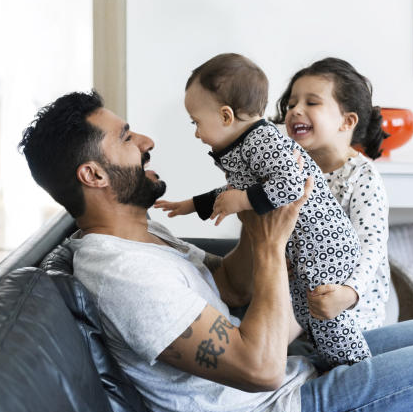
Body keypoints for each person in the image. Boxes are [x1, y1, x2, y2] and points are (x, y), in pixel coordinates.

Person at [18, 89, 413, 412]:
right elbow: (259, 369)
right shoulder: (119, 271)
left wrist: (260, 206)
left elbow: (229, 284)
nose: (147, 142)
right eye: (128, 138)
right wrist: (273, 248)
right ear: (94, 173)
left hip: (295, 383)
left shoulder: (145, 233)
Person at [154, 53, 370, 367]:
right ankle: (328, 363)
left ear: (226, 116)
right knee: (304, 312)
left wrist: (242, 201)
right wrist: (191, 205)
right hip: (303, 251)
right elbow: (238, 190)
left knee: (326, 318)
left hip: (324, 246)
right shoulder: (244, 145)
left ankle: (355, 368)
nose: (196, 132)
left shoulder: (262, 141)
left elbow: (292, 185)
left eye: (196, 122)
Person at [274, 57, 391, 332]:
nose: (295, 111)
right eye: (291, 104)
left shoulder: (361, 176)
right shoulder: (289, 171)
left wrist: (349, 293)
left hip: (353, 320)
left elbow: (370, 246)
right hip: (296, 312)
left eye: (311, 103)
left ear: (346, 121)